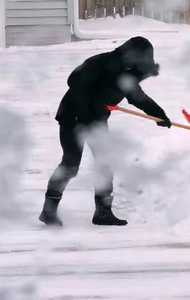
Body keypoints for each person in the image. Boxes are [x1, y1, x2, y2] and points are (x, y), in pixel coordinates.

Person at [39, 36, 171, 227]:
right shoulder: (101, 63)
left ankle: (103, 212)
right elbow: (73, 80)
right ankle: (48, 210)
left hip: (96, 121)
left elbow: (138, 98)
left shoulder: (128, 74)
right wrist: (94, 99)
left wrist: (159, 115)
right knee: (70, 165)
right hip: (74, 117)